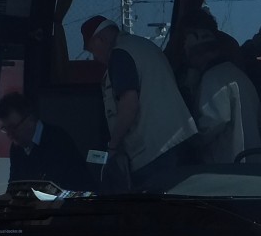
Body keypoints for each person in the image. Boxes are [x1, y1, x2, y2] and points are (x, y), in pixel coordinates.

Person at [81, 15, 198, 190]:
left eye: (92, 50)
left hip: (155, 152)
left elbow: (129, 104)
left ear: (100, 39)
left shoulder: (120, 54)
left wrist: (113, 144)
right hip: (178, 139)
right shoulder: (143, 46)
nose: (95, 58)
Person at [177, 11, 261, 163]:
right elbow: (260, 121)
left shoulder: (214, 79)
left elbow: (208, 127)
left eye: (185, 40)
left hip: (227, 171)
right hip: (250, 167)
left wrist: (185, 139)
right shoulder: (236, 75)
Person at [0, 91, 92, 192]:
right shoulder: (16, 148)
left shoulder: (58, 140)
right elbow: (13, 187)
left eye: (13, 127)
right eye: (5, 129)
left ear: (30, 119)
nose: (9, 135)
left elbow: (67, 187)